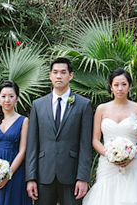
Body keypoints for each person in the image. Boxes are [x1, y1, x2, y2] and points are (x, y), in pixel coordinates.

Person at [83, 68, 137, 205]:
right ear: (111, 87)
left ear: (130, 86)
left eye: (124, 84)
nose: (120, 88)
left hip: (133, 164)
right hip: (108, 164)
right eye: (116, 84)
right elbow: (95, 140)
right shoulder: (101, 109)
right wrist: (109, 155)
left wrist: (133, 155)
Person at [26, 57, 93, 205]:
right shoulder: (38, 105)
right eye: (55, 72)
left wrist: (83, 177)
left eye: (63, 72)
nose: (58, 76)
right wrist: (31, 177)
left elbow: (85, 144)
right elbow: (32, 144)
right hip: (44, 174)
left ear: (71, 76)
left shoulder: (83, 104)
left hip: (71, 175)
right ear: (50, 75)